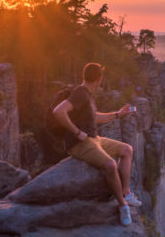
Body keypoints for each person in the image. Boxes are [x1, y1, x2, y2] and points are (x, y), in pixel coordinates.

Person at [53, 62, 141, 225]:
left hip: (95, 139)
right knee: (110, 165)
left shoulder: (87, 93)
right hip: (80, 144)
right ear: (99, 79)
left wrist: (118, 114)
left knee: (126, 150)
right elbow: (58, 111)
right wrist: (77, 132)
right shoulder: (80, 93)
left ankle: (126, 192)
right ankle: (122, 205)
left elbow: (95, 117)